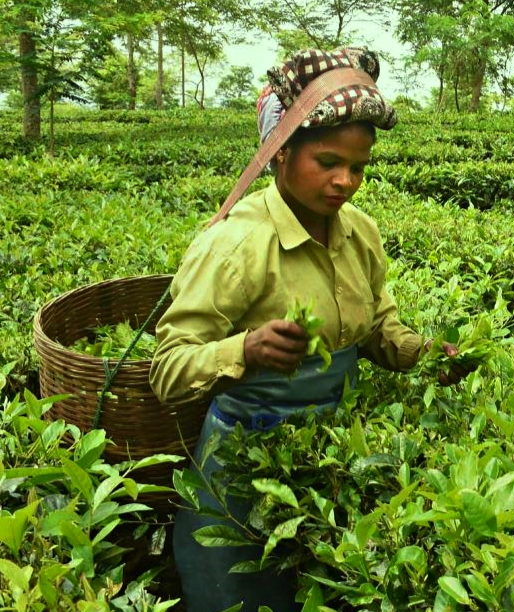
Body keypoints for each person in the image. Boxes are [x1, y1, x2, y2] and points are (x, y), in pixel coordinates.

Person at [148, 47, 475, 612]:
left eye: (359, 167)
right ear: (279, 154)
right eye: (327, 162)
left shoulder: (360, 233)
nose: (345, 181)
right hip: (245, 466)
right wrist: (245, 349)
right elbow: (167, 369)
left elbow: (377, 324)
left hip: (331, 461)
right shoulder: (235, 245)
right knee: (245, 594)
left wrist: (424, 355)